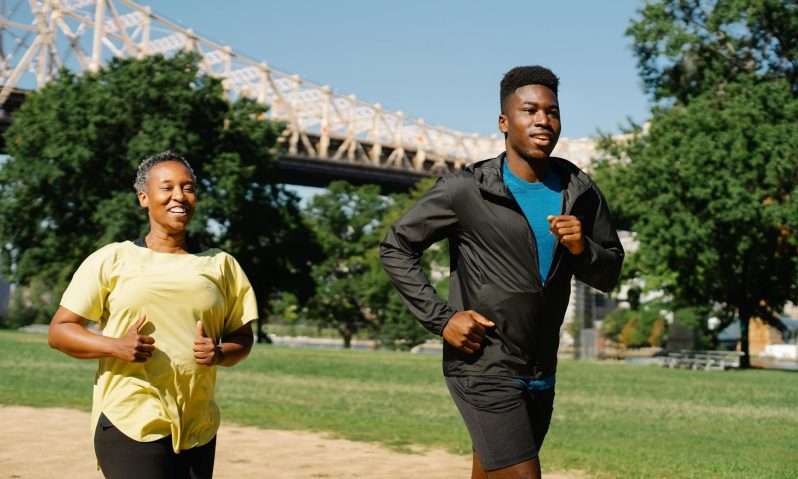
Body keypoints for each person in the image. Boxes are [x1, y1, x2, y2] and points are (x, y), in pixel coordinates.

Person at [380, 66, 624, 479]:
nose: (543, 120)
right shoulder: (466, 189)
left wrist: (583, 249)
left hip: (541, 369)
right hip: (483, 366)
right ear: (503, 122)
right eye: (529, 110)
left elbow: (610, 272)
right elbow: (396, 246)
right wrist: (443, 320)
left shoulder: (579, 189)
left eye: (552, 111)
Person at [48, 151, 258, 479]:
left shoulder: (221, 265)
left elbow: (243, 339)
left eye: (188, 188)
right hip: (130, 420)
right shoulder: (112, 259)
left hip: (198, 425)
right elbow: (60, 330)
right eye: (168, 187)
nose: (180, 196)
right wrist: (114, 346)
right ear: (144, 198)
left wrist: (218, 353)